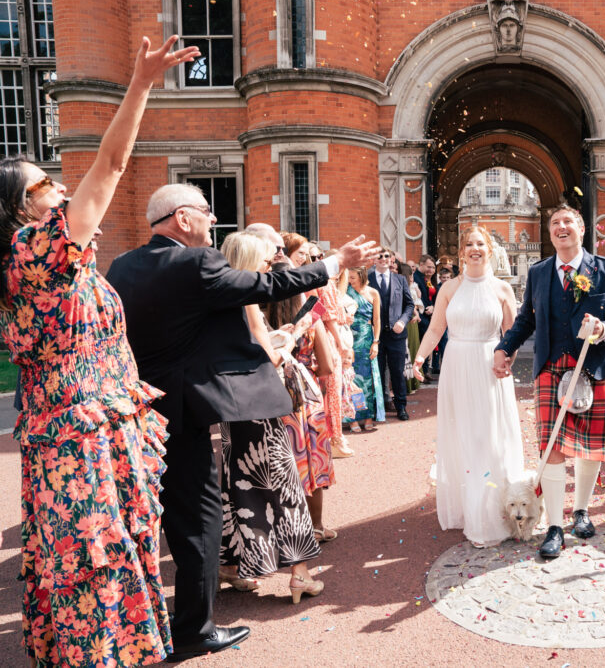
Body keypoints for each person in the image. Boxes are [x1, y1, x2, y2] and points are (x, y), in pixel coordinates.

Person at [107, 182, 378, 659]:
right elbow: (270, 284)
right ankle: (194, 628)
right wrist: (336, 263)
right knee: (201, 516)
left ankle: (160, 616)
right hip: (191, 410)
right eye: (208, 212)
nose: (215, 221)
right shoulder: (196, 263)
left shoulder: (123, 266)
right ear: (182, 218)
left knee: (166, 515)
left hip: (146, 408)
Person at [0, 35, 197, 668]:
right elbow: (110, 167)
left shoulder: (48, 263)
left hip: (87, 434)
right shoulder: (37, 256)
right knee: (94, 570)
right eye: (45, 186)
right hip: (78, 444)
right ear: (18, 210)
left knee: (99, 567)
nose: (60, 190)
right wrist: (139, 83)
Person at [495, 204, 605, 559]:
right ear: (550, 232)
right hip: (551, 368)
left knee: (590, 447)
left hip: (593, 366)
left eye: (568, 221)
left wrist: (604, 329)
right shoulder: (539, 272)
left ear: (582, 229)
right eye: (554, 223)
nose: (561, 227)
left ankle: (581, 511)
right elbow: (526, 319)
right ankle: (555, 525)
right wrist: (504, 348)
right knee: (551, 447)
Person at [217, 232, 324, 601]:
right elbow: (269, 357)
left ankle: (230, 566)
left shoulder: (219, 297)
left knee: (236, 485)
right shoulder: (247, 300)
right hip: (261, 408)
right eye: (264, 260)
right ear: (248, 262)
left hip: (232, 410)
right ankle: (300, 574)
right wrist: (291, 338)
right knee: (284, 486)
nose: (269, 265)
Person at [413, 226, 524, 547]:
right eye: (469, 244)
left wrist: (507, 360)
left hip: (490, 367)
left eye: (480, 244)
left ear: (490, 250)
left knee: (486, 436)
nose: (474, 249)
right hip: (457, 365)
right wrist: (419, 358)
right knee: (463, 435)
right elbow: (435, 330)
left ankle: (488, 513)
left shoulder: (502, 289)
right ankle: (466, 507)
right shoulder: (449, 288)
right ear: (461, 251)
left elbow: (511, 335)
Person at [264, 273, 339, 544]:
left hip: (273, 392)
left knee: (281, 460)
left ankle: (280, 528)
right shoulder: (312, 317)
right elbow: (328, 365)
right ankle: (316, 525)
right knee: (313, 456)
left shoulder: (261, 317)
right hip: (306, 394)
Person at [303, 243, 355, 458]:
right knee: (333, 391)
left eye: (319, 257)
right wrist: (341, 345)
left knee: (326, 392)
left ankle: (329, 438)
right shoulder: (323, 284)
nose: (317, 261)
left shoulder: (310, 282)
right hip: (326, 340)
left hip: (314, 339)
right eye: (312, 258)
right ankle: (335, 439)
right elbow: (329, 318)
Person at [368, 248, 415, 420]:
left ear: (391, 260)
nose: (382, 259)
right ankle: (377, 408)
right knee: (377, 372)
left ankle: (401, 406)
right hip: (376, 336)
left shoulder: (400, 279)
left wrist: (402, 321)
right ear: (374, 260)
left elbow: (409, 305)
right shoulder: (367, 279)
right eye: (379, 256)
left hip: (396, 335)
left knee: (397, 372)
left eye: (386, 256)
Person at [344, 266, 386, 431]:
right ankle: (352, 418)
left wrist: (376, 342)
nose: (350, 281)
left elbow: (377, 319)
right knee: (351, 379)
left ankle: (367, 416)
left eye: (353, 278)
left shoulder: (373, 293)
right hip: (348, 338)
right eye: (349, 277)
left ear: (362, 276)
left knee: (367, 380)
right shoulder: (345, 291)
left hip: (367, 340)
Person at [413, 255, 437, 380]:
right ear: (421, 265)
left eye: (433, 267)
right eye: (428, 267)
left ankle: (426, 370)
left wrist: (433, 306)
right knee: (425, 341)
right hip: (420, 315)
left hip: (428, 313)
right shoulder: (416, 278)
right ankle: (423, 370)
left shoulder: (428, 279)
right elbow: (419, 298)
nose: (431, 270)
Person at [400, 262, 422, 393]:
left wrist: (416, 312)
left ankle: (413, 382)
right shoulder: (402, 287)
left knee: (413, 350)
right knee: (407, 352)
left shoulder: (411, 287)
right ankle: (408, 384)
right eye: (410, 275)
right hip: (406, 322)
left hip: (412, 322)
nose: (412, 278)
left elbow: (413, 303)